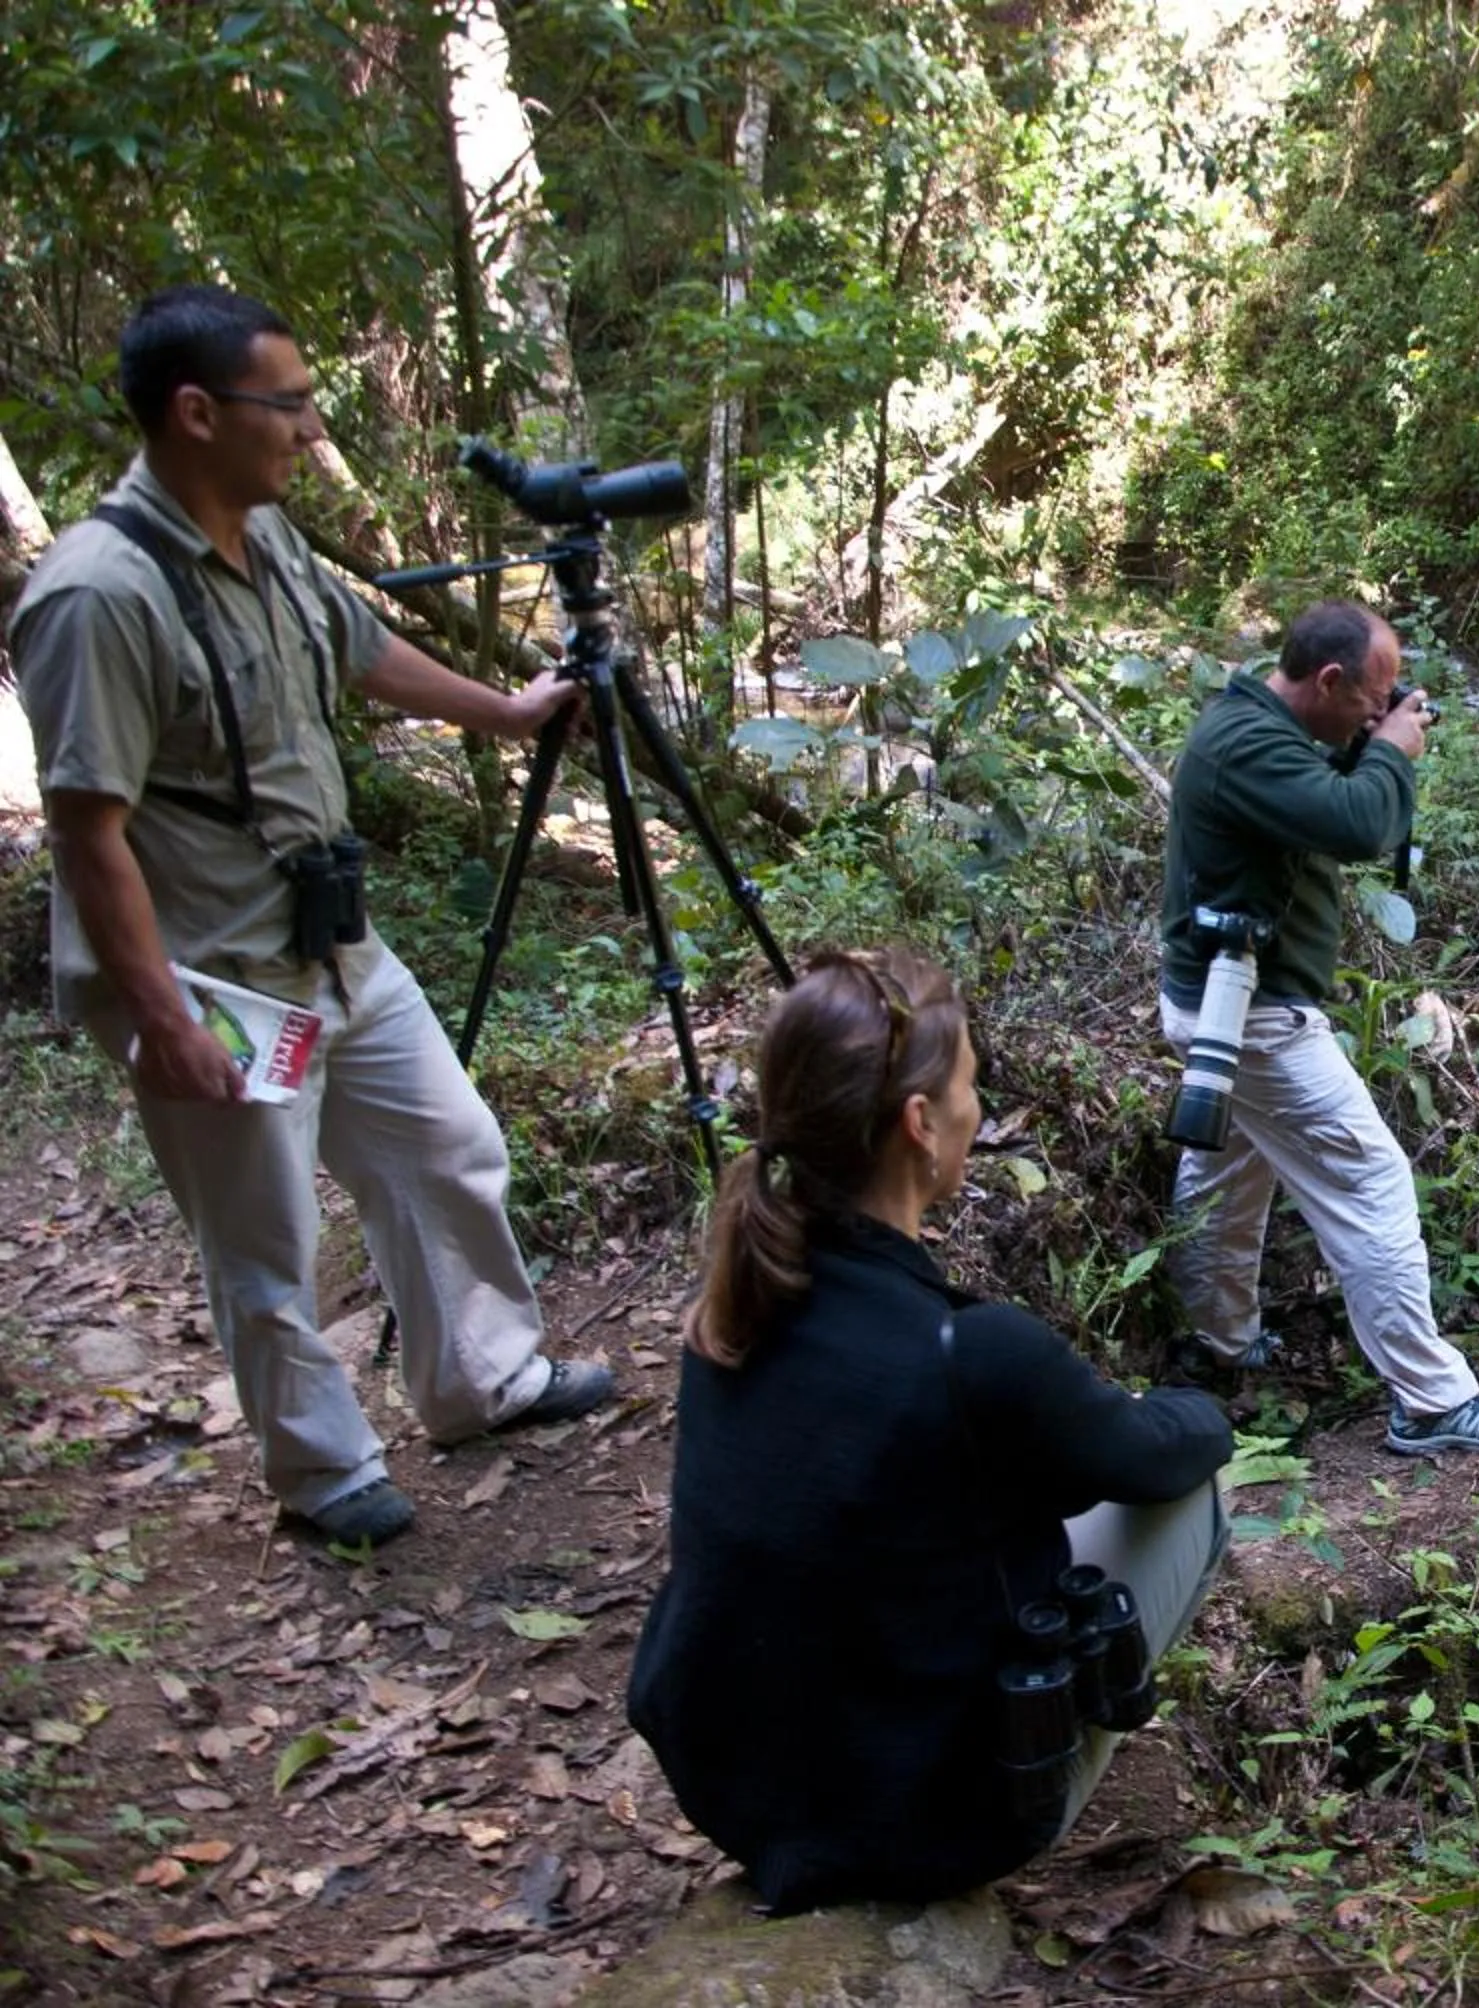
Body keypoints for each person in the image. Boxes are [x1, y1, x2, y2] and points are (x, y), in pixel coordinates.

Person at [8, 284, 611, 1548]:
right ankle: (323, 1468)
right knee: (264, 1237)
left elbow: (358, 645)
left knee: (446, 1146)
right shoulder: (98, 595)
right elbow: (87, 829)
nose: (307, 426)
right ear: (194, 412)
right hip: (218, 985)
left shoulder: (266, 535)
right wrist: (160, 1015)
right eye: (285, 402)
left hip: (336, 950)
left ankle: (483, 1377)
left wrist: (504, 710)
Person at [628, 948, 1233, 1915]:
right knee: (1197, 1494)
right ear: (919, 1124)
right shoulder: (970, 1353)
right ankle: (1041, 1766)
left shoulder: (731, 1311)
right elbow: (1168, 1454)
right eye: (969, 1088)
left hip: (735, 1795)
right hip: (929, 1825)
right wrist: (1174, 1406)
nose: (976, 1112)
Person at [1157, 599, 1479, 1456]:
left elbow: (1334, 795)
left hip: (1228, 1008)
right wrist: (1393, 753)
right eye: (1370, 700)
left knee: (1225, 1179)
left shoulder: (1262, 726)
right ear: (1326, 680)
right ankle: (1434, 1401)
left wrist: (1371, 740)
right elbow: (1358, 823)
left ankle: (1215, 1340)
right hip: (1252, 1019)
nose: (1380, 714)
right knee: (1371, 1182)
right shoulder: (1246, 746)